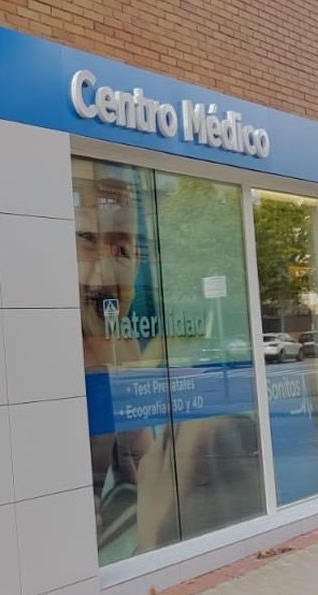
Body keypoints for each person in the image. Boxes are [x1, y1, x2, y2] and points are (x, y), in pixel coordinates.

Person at [76, 168, 263, 565]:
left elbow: (141, 460)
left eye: (122, 249)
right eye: (86, 239)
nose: (105, 272)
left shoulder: (122, 349)